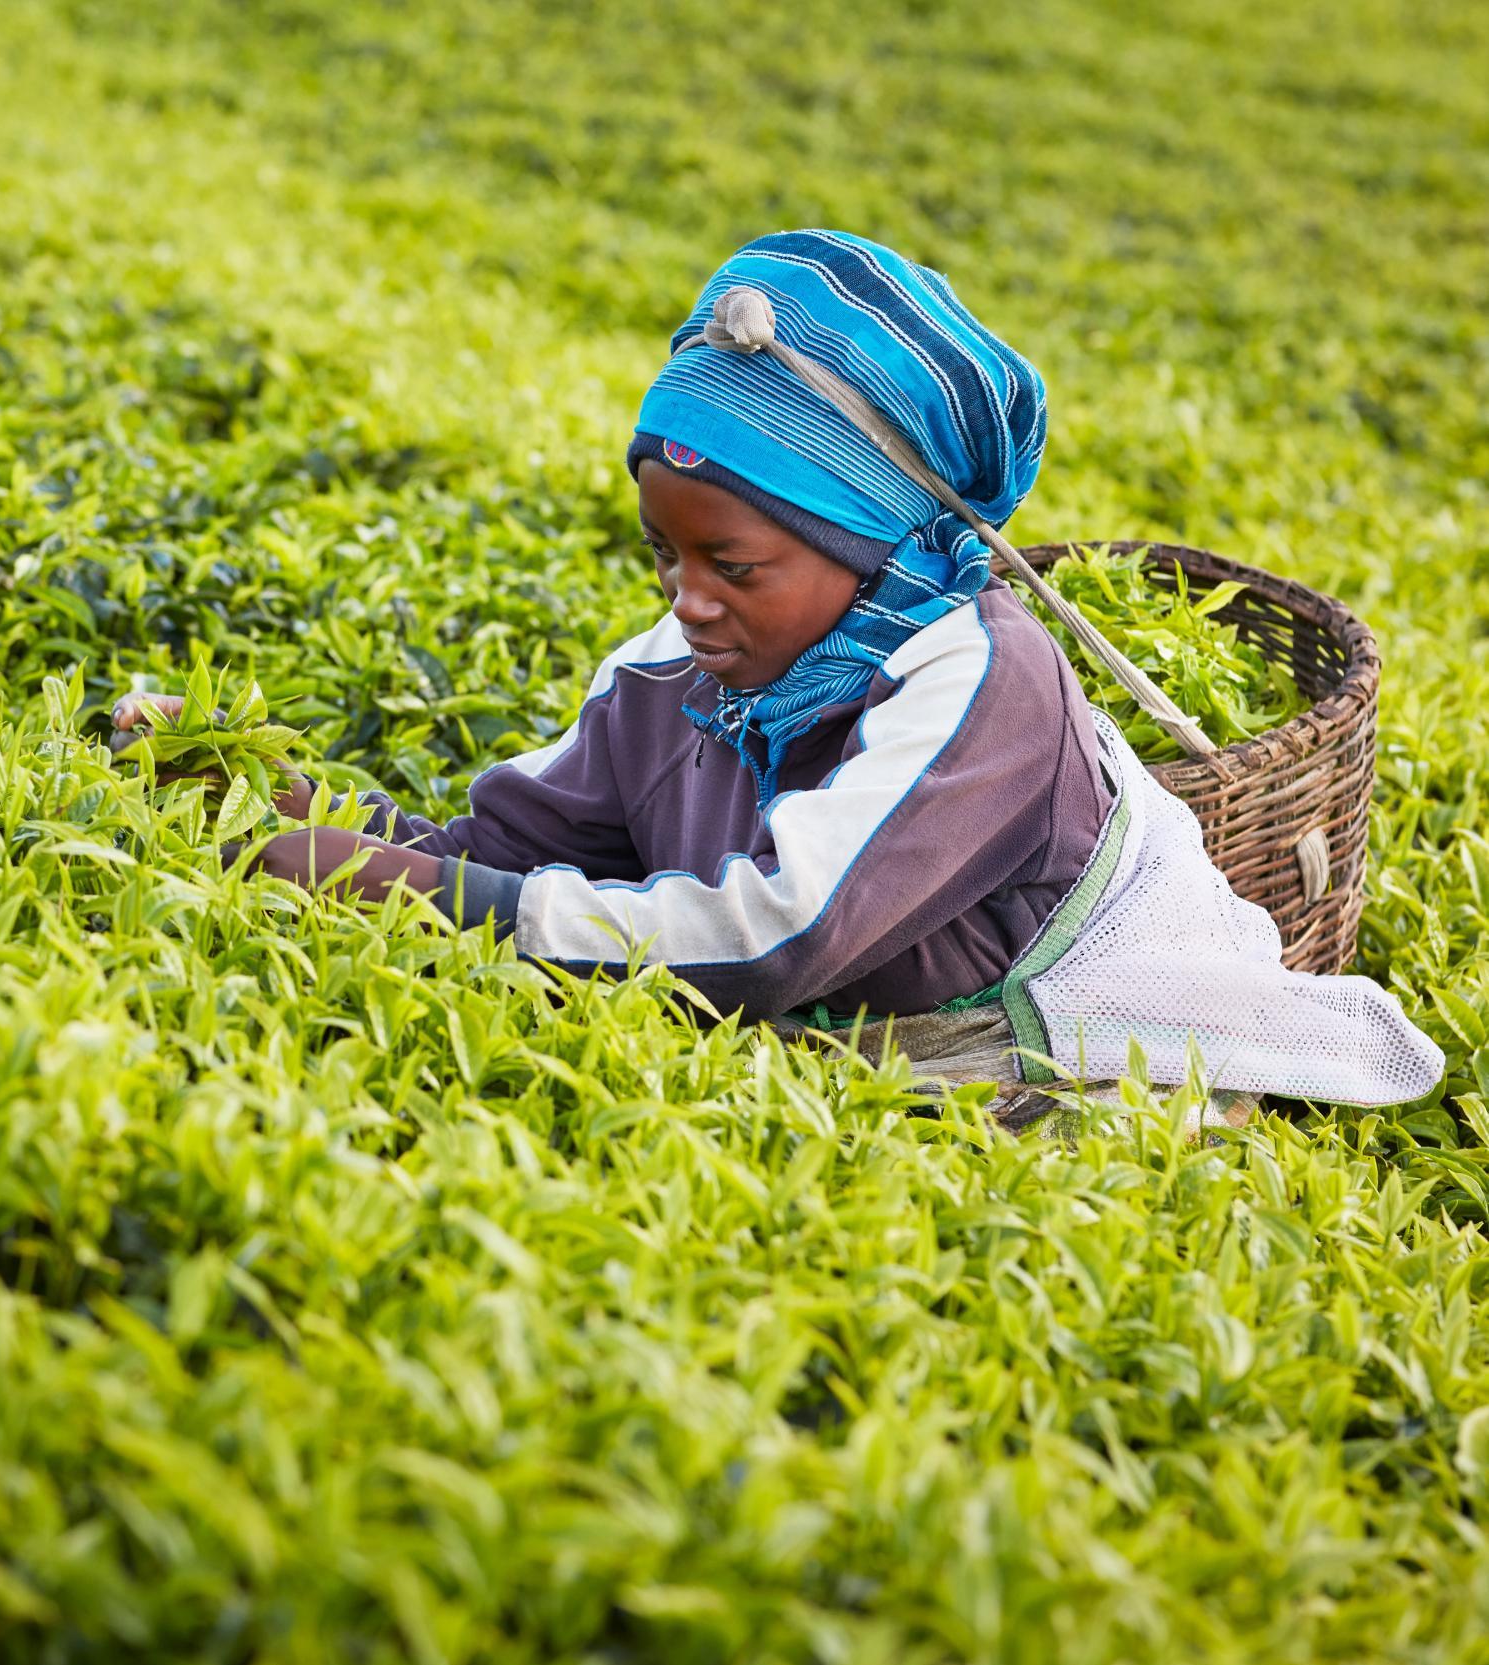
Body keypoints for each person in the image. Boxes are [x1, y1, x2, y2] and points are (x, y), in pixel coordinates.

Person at [116, 230, 1441, 1120]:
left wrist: (380, 880)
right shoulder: (667, 670)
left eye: (734, 566)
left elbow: (781, 935)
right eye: (667, 554)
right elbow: (492, 852)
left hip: (1067, 1083)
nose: (687, 603)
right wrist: (257, 791)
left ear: (863, 545)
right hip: (850, 1064)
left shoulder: (981, 678)